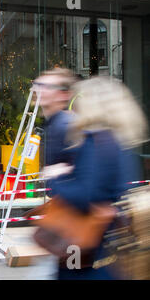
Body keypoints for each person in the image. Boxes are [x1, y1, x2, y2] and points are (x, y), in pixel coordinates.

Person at [43, 77, 148, 279]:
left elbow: (85, 195)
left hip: (81, 245)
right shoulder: (120, 143)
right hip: (107, 246)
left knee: (73, 273)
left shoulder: (95, 142)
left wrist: (54, 180)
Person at [31, 67, 80, 168]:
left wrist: (60, 173)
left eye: (48, 87)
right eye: (38, 85)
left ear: (64, 95)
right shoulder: (51, 124)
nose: (39, 90)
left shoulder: (66, 127)